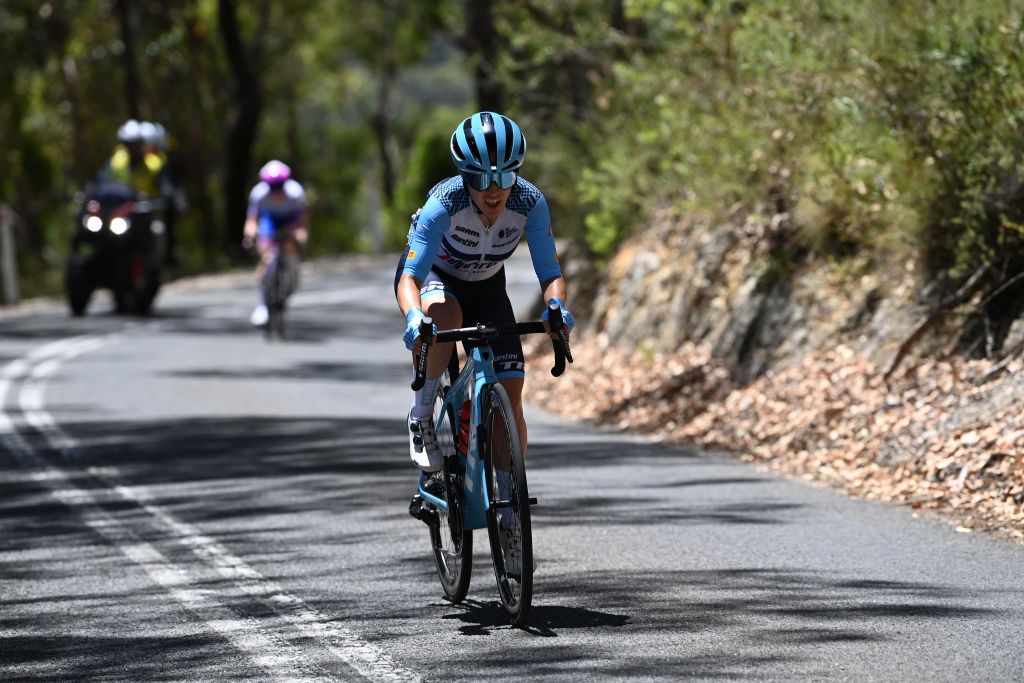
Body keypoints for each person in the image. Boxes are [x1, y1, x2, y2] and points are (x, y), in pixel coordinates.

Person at [395, 112, 575, 559]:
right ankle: (422, 414)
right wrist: (415, 318)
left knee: (511, 399)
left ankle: (511, 507)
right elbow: (409, 279)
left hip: (488, 287)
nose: (494, 189)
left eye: (505, 176)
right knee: (443, 312)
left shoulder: (530, 202)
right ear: (464, 175)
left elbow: (550, 272)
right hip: (437, 279)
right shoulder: (445, 203)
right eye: (481, 177)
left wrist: (556, 307)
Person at [242, 160, 308, 326]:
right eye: (273, 187)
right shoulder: (259, 194)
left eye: (280, 186)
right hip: (269, 221)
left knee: (290, 249)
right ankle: (262, 306)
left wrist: (301, 236)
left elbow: (302, 222)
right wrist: (250, 236)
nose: (276, 192)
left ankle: (291, 280)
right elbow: (251, 221)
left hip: (289, 221)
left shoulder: (295, 193)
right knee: (267, 257)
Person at [101, 119, 172, 201]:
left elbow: (165, 188)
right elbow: (102, 184)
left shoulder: (154, 164)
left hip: (145, 210)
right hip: (120, 210)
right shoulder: (116, 162)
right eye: (129, 144)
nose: (133, 148)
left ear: (143, 143)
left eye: (137, 143)